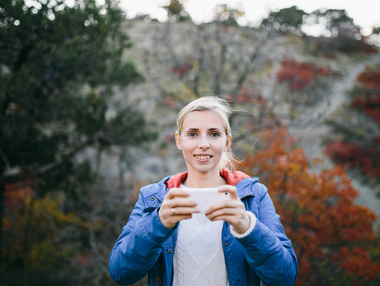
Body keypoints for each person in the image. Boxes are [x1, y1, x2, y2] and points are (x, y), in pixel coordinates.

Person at [109, 96, 298, 286]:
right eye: (192, 134)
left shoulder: (253, 195)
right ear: (179, 140)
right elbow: (121, 272)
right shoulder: (154, 198)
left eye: (214, 134)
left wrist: (248, 227)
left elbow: (285, 277)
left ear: (227, 142)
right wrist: (158, 223)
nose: (204, 144)